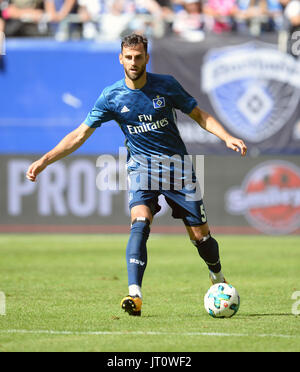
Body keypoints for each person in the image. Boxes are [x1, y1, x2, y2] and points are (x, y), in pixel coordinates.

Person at [26, 33, 247, 317]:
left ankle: (217, 276)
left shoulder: (166, 86)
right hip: (142, 170)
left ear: (146, 57)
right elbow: (80, 134)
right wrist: (45, 160)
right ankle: (135, 295)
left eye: (138, 57)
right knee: (140, 222)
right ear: (120, 59)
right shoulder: (112, 96)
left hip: (178, 170)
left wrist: (226, 136)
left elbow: (200, 115)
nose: (133, 62)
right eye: (128, 57)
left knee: (200, 237)